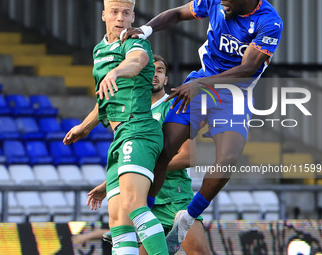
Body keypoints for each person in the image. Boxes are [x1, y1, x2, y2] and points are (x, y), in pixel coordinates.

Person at [121, 0, 283, 252]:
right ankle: (145, 217)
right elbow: (176, 13)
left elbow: (249, 68)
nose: (222, 3)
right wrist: (147, 29)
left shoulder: (269, 22)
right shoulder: (215, 1)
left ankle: (186, 218)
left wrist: (203, 84)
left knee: (228, 159)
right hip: (202, 81)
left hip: (233, 93)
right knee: (164, 148)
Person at [63, 0, 168, 254]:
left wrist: (117, 72)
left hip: (139, 128)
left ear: (133, 17)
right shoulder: (99, 50)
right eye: (114, 12)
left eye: (126, 13)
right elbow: (104, 100)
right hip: (119, 136)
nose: (120, 18)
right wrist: (84, 127)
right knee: (119, 221)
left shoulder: (135, 42)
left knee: (134, 204)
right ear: (104, 15)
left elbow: (136, 61)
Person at [87, 55, 212, 255]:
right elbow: (130, 159)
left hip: (174, 198)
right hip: (145, 203)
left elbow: (188, 157)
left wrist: (145, 169)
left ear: (166, 80)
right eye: (150, 70)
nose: (154, 74)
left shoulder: (175, 107)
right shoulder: (133, 112)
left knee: (199, 252)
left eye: (160, 71)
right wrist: (110, 183)